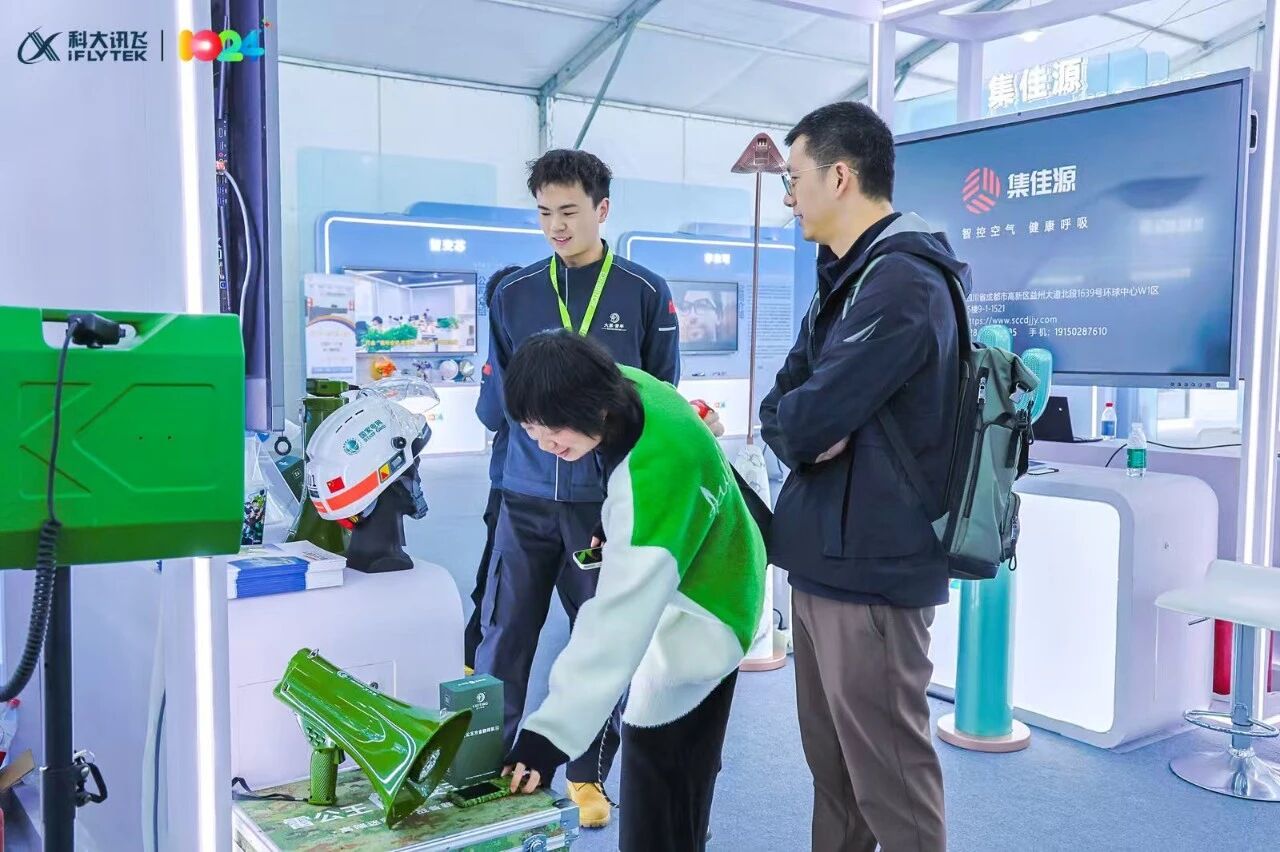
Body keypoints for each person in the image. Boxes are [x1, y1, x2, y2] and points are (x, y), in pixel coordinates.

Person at [760, 101, 966, 852]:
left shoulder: (903, 281)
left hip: (875, 569)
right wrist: (807, 424)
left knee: (891, 779)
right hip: (822, 558)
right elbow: (782, 409)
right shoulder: (844, 279)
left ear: (839, 176)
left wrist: (808, 424)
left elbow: (804, 421)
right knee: (836, 777)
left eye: (794, 179)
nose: (789, 197)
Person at [474, 148, 680, 828]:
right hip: (523, 496)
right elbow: (495, 404)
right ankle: (490, 765)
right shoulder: (513, 293)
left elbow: (659, 401)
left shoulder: (645, 292)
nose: (556, 227)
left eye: (568, 211)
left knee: (603, 637)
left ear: (602, 209)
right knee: (504, 636)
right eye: (544, 213)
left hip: (602, 504)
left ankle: (587, 773)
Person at [499, 330, 764, 852]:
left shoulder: (653, 479)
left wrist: (547, 736)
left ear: (590, 406)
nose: (545, 444)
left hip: (709, 615)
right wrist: (610, 517)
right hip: (722, 563)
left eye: (554, 428)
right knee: (680, 767)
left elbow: (615, 624)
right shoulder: (629, 389)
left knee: (659, 768)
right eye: (531, 430)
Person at [465, 265, 524, 673]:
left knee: (495, 589)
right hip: (588, 485)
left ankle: (474, 676)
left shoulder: (503, 341)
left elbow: (489, 413)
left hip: (512, 483)